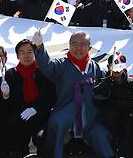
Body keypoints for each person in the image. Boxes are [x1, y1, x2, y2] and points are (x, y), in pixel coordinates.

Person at [32, 30, 113, 158]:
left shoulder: (95, 67)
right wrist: (40, 47)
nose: (78, 48)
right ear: (69, 46)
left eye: (83, 44)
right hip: (66, 110)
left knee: (101, 134)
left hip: (90, 114)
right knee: (57, 124)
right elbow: (46, 65)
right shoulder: (62, 64)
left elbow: (107, 83)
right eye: (74, 44)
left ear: (89, 47)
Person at [4, 39, 55, 158]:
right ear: (17, 56)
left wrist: (36, 109)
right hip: (20, 117)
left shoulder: (43, 72)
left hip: (41, 117)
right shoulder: (11, 74)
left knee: (42, 138)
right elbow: (10, 104)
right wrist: (5, 95)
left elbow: (50, 97)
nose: (26, 55)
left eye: (29, 52)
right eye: (22, 52)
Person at [93, 51, 133, 158]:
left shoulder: (131, 83)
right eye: (114, 64)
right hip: (110, 121)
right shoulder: (104, 82)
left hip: (127, 117)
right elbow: (96, 100)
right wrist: (104, 88)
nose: (117, 69)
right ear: (109, 67)